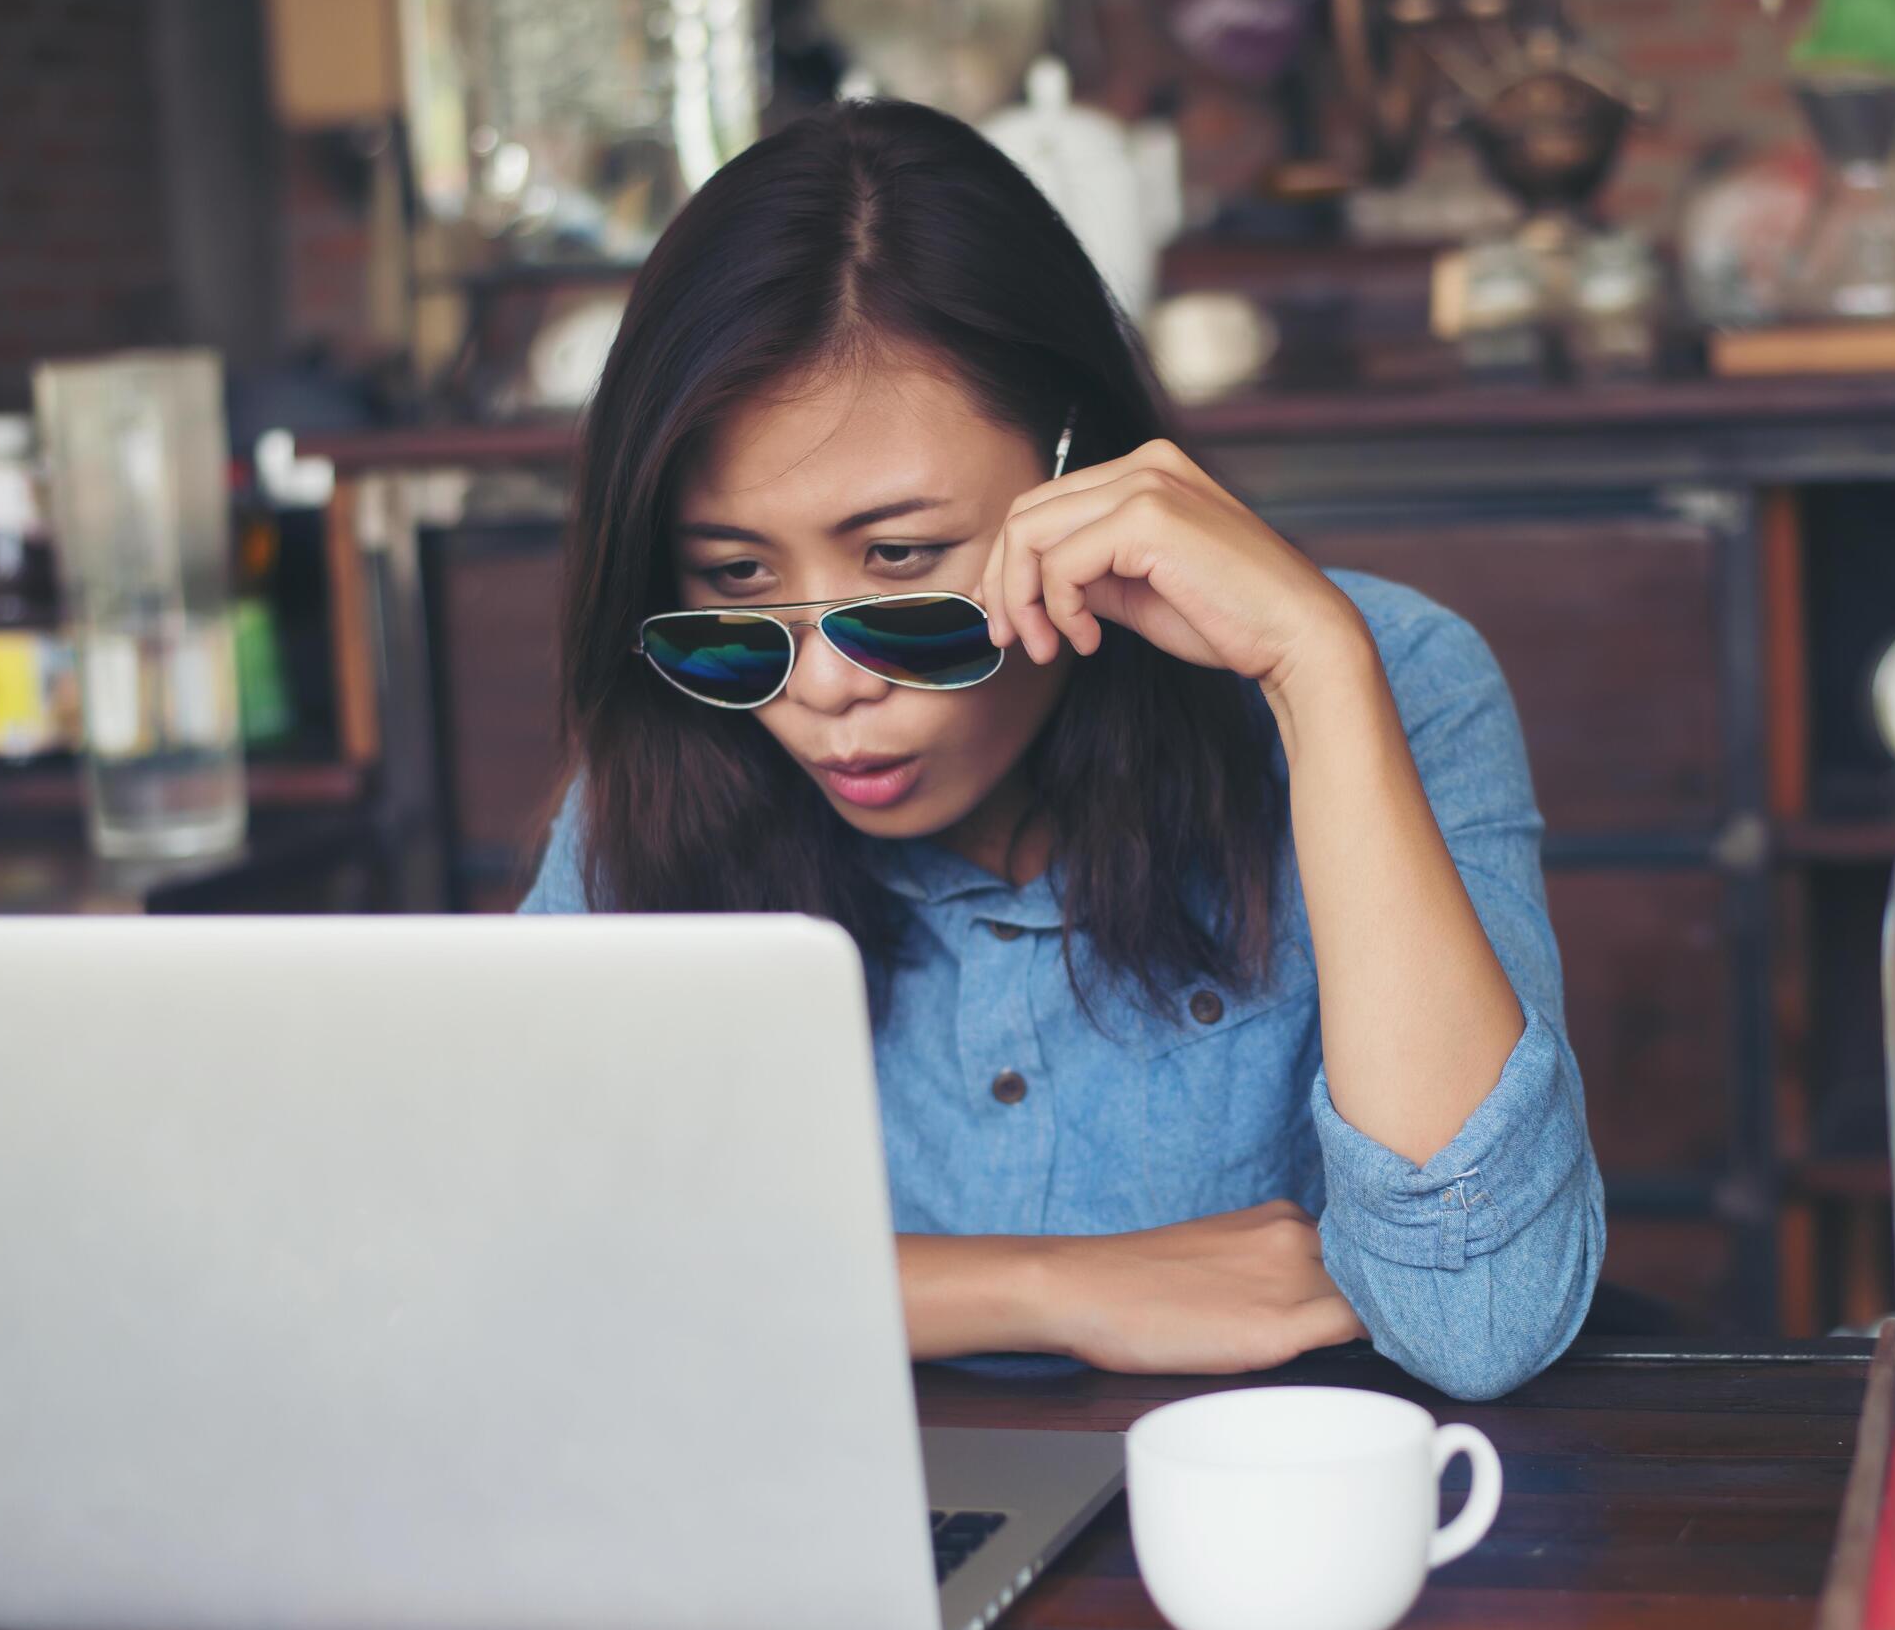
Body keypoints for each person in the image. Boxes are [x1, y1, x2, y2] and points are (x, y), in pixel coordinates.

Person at [522, 100, 1602, 1401]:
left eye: (903, 564)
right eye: (736, 583)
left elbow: (1480, 1316)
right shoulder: (659, 779)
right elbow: (543, 1270)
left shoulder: (1394, 679)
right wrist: (1054, 1288)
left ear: (1082, 474)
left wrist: (1312, 674)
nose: (820, 688)